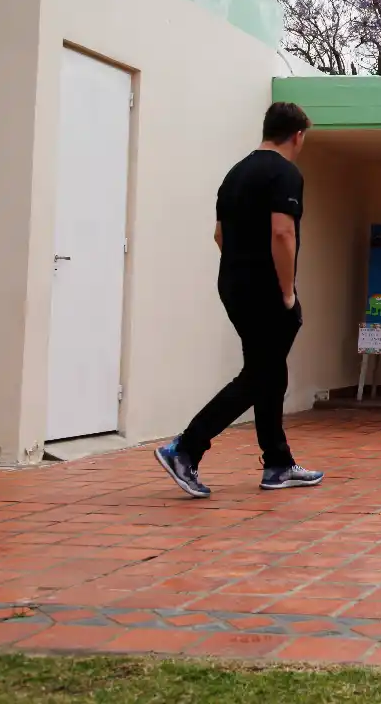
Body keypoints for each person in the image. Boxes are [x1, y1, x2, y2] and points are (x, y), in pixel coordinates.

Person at [155, 102, 324, 498]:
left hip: (232, 284)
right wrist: (285, 291)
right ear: (297, 135)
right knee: (260, 376)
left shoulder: (235, 174)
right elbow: (283, 233)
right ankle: (185, 449)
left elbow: (219, 235)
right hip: (266, 290)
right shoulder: (285, 173)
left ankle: (278, 464)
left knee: (268, 370)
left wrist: (241, 271)